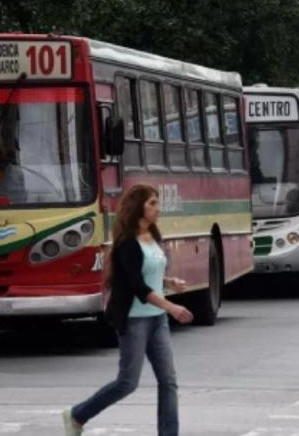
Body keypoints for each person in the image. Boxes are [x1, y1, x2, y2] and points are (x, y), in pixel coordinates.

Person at [63, 184, 194, 436]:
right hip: (134, 321)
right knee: (127, 383)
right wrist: (171, 306)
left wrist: (169, 282)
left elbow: (149, 274)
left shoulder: (153, 237)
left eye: (157, 203)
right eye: (152, 204)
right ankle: (77, 415)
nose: (158, 209)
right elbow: (137, 286)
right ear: (138, 208)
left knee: (168, 381)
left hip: (157, 320)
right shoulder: (127, 244)